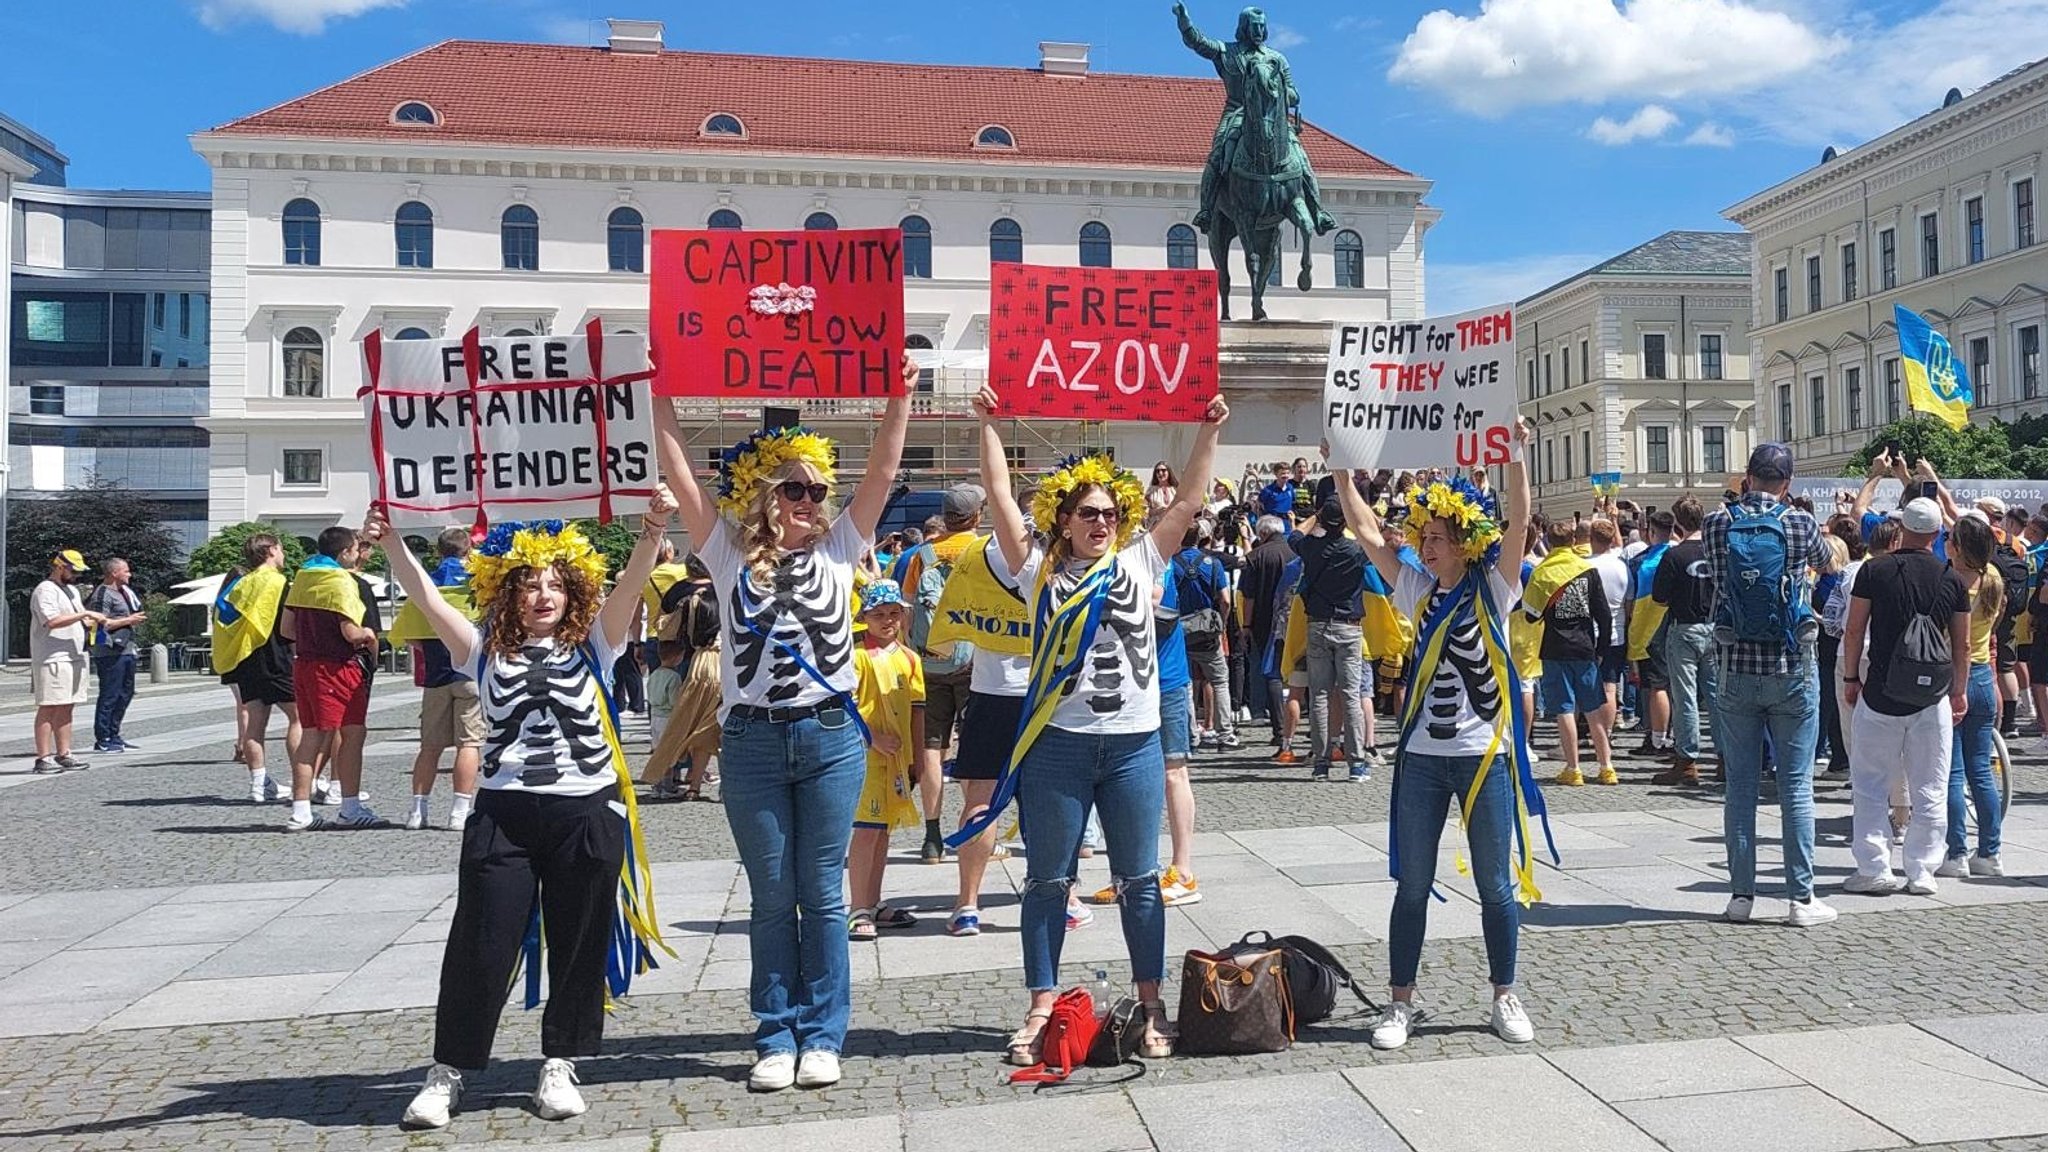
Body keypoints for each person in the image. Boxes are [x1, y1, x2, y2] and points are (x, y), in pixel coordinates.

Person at [648, 356, 914, 1093]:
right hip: (754, 741)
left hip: (829, 736)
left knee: (823, 892)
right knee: (770, 894)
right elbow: (681, 473)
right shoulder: (727, 553)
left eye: (817, 489)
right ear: (767, 494)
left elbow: (884, 475)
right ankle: (775, 1033)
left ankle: (824, 1033)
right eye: (794, 488)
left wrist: (898, 393)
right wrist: (661, 395)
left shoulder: (839, 548)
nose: (809, 499)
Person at [374, 499, 676, 1131]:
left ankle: (561, 1061)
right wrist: (393, 543)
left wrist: (652, 531)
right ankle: (449, 1069)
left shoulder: (598, 643)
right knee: (480, 942)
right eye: (530, 585)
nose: (543, 596)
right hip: (504, 814)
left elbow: (629, 584)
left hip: (587, 810)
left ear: (573, 594)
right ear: (508, 593)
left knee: (579, 940)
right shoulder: (480, 649)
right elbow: (428, 600)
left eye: (555, 585)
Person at [966, 383, 1228, 1069]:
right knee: (1049, 879)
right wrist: (990, 425)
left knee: (1141, 879)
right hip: (1059, 747)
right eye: (1088, 513)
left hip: (1136, 745)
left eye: (1110, 512)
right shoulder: (1039, 569)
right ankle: (1041, 1003)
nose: (1102, 522)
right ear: (1063, 518)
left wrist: (1208, 430)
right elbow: (998, 495)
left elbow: (1191, 501)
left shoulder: (1143, 558)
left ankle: (1151, 1003)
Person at [1328, 423, 1540, 1050]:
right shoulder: (1417, 588)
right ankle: (1400, 1002)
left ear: (1464, 545)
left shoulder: (1496, 588)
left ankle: (1504, 993)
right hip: (1422, 758)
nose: (1426, 543)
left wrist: (1518, 457)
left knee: (1496, 885)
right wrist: (1342, 472)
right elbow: (1368, 534)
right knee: (1412, 883)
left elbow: (1521, 521)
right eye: (1424, 535)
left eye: (1437, 538)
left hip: (1484, 757)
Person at [1704, 443, 1831, 926]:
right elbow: (1827, 560)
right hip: (1791, 666)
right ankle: (1801, 899)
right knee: (1796, 786)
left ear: (1746, 476)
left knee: (1740, 787)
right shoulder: (1799, 522)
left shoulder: (1718, 523)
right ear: (1788, 481)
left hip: (1734, 665)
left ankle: (1741, 897)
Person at [1841, 497, 1968, 898]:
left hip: (1880, 690)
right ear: (1937, 534)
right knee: (1931, 784)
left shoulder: (1873, 571)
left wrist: (1849, 677)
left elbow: (1853, 630)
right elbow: (1962, 645)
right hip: (1932, 696)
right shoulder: (1952, 578)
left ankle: (1875, 866)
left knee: (1869, 783)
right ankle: (1923, 870)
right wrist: (1959, 692)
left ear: (1901, 529)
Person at [909, 483, 990, 864]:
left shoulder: (921, 555)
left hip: (930, 660)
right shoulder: (985, 549)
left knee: (931, 748)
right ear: (977, 516)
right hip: (977, 662)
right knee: (976, 747)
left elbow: (908, 610)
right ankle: (974, 832)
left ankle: (932, 837)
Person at [280, 527, 381, 832]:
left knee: (310, 736)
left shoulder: (303, 578)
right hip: (338, 666)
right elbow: (350, 633)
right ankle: (349, 806)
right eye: (354, 548)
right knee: (353, 734)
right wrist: (370, 635)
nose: (357, 553)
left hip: (305, 665)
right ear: (344, 553)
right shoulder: (341, 581)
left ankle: (301, 809)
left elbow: (286, 630)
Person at [846, 579, 926, 939]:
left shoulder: (909, 658)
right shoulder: (856, 655)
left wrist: (919, 759)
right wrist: (872, 736)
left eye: (894, 613)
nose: (888, 620)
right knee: (866, 831)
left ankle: (874, 900)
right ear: (865, 617)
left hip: (897, 760)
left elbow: (917, 710)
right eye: (879, 614)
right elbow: (844, 704)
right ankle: (858, 906)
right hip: (866, 758)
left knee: (882, 833)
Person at [396, 528, 482, 832]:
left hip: (436, 674)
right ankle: (459, 812)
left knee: (429, 747)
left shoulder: (427, 582)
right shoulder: (477, 581)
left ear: (439, 550)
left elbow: (412, 636)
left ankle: (417, 811)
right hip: (470, 673)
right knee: (469, 744)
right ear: (468, 549)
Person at [1938, 513, 2006, 879]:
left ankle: (1956, 851)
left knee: (1952, 772)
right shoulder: (1992, 578)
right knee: (1981, 770)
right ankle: (1990, 851)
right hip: (1983, 673)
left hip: (1954, 674)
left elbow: (1954, 640)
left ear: (1958, 548)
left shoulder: (1949, 581)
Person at [1292, 500, 1377, 780]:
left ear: (1322, 521)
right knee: (1351, 695)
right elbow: (1376, 536)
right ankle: (1356, 762)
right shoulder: (1355, 550)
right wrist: (1357, 516)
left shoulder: (1311, 548)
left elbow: (1293, 536)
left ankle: (1321, 762)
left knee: (1319, 695)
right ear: (1344, 523)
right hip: (1349, 626)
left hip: (1317, 624)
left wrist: (1313, 518)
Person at [1526, 520, 1612, 786]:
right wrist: (1602, 649)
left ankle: (1573, 767)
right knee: (1594, 709)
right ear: (1574, 541)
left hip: (1554, 647)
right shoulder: (1588, 570)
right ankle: (1607, 767)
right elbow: (1604, 615)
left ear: (1549, 543)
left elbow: (1530, 614)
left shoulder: (1542, 572)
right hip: (1585, 646)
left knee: (1564, 709)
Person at [213, 535, 297, 802]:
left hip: (247, 659)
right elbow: (288, 625)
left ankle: (258, 784)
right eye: (281, 549)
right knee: (301, 719)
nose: (283, 554)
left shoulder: (242, 583)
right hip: (276, 657)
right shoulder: (278, 582)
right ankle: (305, 781)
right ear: (271, 551)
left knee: (255, 727)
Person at [643, 555, 721, 802]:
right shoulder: (722, 586)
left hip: (684, 657)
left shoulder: (677, 590)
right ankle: (705, 782)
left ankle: (670, 774)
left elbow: (661, 621)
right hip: (721, 661)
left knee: (677, 720)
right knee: (715, 725)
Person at [1651, 498, 1715, 786]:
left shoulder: (1674, 556)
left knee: (1685, 698)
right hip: (1714, 629)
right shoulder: (1717, 553)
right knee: (1717, 698)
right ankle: (1726, 759)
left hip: (1684, 628)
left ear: (1677, 523)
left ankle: (1687, 761)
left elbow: (1659, 597)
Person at [29, 549, 102, 774]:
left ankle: (64, 752)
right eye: (73, 569)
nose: (77, 575)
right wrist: (83, 616)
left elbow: (81, 616)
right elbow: (51, 621)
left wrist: (94, 621)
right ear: (60, 566)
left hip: (74, 655)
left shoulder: (71, 590)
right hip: (52, 657)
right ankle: (43, 757)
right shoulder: (45, 590)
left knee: (67, 705)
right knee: (49, 706)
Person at [1175, 521, 1239, 750]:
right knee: (1220, 681)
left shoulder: (1172, 564)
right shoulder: (1213, 564)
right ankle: (1225, 734)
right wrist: (1221, 623)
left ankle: (1191, 735)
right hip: (1208, 631)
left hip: (1180, 630)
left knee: (1187, 683)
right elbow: (1225, 599)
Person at [84, 557, 149, 754]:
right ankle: (103, 737)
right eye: (126, 571)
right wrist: (129, 620)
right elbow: (100, 623)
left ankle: (114, 733)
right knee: (110, 694)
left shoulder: (124, 593)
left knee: (126, 693)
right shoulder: (103, 593)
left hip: (127, 647)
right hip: (110, 650)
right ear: (114, 573)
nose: (129, 574)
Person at [1625, 511, 1675, 757]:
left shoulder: (1643, 562)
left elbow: (1631, 598)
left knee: (1654, 687)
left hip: (1648, 628)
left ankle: (1657, 738)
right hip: (1671, 626)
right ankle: (1667, 734)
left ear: (1651, 532)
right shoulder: (1675, 554)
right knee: (1671, 686)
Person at [1241, 514, 1292, 739]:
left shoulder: (1255, 556)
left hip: (1263, 620)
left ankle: (1280, 729)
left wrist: (1246, 625)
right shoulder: (1296, 553)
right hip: (1294, 619)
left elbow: (1248, 596)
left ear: (1262, 533)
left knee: (1272, 672)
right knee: (1298, 674)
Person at [1587, 519, 1631, 738]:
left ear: (1591, 539)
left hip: (1588, 633)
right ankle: (1606, 734)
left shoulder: (1585, 565)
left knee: (1584, 687)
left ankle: (1587, 732)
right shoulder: (1621, 566)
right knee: (1610, 686)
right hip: (1616, 631)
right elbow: (1629, 602)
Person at [1146, 462, 1178, 527]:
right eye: (1157, 471)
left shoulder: (1175, 489)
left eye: (1163, 470)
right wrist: (1157, 511)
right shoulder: (1151, 490)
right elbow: (1145, 510)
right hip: (1156, 525)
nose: (1160, 473)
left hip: (1174, 523)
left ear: (1169, 472)